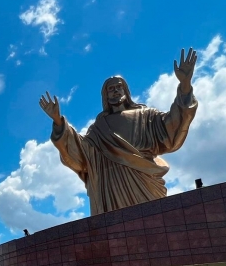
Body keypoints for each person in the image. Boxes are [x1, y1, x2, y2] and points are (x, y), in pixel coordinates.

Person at [39, 48, 198, 215]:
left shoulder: (146, 115)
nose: (115, 90)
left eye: (119, 87)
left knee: (155, 226)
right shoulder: (99, 128)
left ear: (126, 91)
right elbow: (81, 154)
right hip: (110, 190)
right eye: (110, 88)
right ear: (105, 96)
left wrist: (185, 85)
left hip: (144, 184)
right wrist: (58, 121)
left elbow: (172, 126)